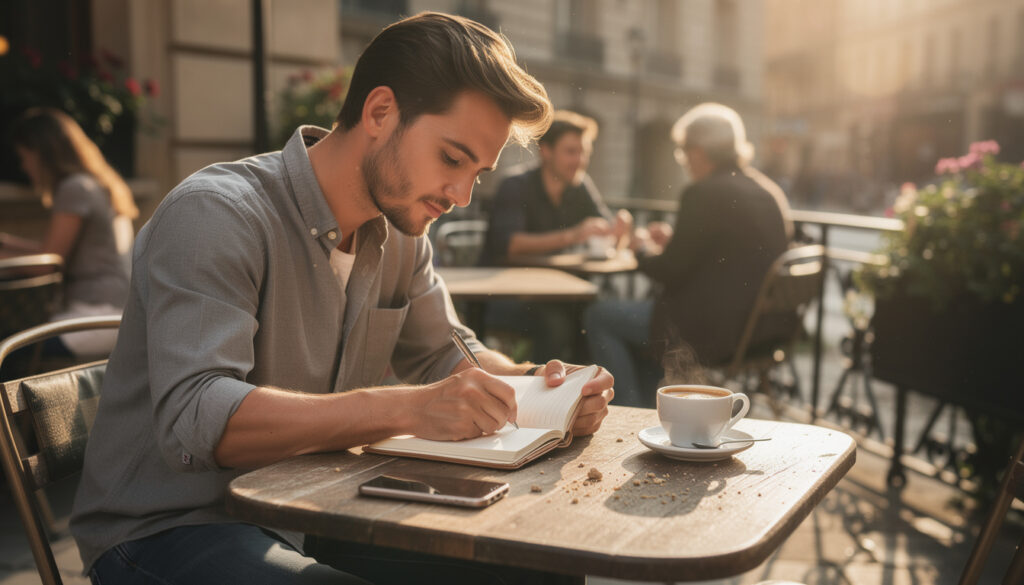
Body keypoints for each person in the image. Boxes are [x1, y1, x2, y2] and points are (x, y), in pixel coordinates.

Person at [69, 12, 614, 585]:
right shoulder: (216, 214)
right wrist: (408, 408)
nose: (461, 195)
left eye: (477, 173)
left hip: (315, 508)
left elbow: (447, 355)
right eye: (452, 159)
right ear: (380, 112)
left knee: (537, 566)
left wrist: (543, 390)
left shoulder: (402, 233)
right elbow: (201, 417)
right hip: (170, 528)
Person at [585, 102, 793, 407]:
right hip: (760, 332)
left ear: (697, 151)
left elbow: (670, 270)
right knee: (639, 330)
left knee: (598, 316)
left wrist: (639, 248)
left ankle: (628, 412)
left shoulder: (703, 193)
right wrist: (674, 240)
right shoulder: (766, 191)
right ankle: (647, 409)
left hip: (708, 330)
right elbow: (730, 251)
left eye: (683, 152)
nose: (683, 161)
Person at [478, 110, 631, 362]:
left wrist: (620, 231)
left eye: (584, 152)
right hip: (505, 294)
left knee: (595, 316)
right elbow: (510, 244)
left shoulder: (580, 185)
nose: (580, 160)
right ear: (546, 151)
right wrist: (573, 235)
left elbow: (607, 233)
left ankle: (583, 384)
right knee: (557, 325)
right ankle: (542, 385)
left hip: (555, 293)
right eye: (571, 152)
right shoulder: (515, 185)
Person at [0, 107, 136, 357]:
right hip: (117, 314)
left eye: (25, 157)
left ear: (42, 153)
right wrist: (7, 243)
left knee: (10, 350)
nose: (24, 166)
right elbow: (54, 252)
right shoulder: (98, 184)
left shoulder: (74, 188)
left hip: (92, 317)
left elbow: (47, 264)